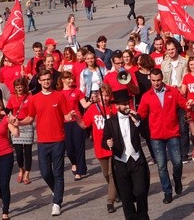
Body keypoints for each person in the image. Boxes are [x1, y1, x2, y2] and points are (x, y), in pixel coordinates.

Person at [18, 69, 75, 216]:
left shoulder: (59, 96)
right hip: (42, 141)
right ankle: (56, 191)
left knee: (58, 173)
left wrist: (73, 115)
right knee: (45, 173)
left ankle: (57, 203)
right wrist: (18, 123)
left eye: (48, 79)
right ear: (39, 81)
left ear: (52, 80)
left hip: (58, 140)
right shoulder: (34, 98)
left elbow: (67, 115)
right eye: (43, 80)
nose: (46, 82)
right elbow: (30, 118)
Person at [137, 68, 190, 204]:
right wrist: (133, 117)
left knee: (177, 162)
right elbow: (141, 114)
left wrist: (190, 105)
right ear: (150, 80)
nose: (156, 83)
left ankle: (177, 179)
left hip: (173, 133)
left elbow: (184, 104)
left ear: (162, 79)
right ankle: (167, 192)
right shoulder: (147, 95)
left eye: (158, 80)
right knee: (161, 166)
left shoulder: (172, 91)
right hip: (156, 136)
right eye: (153, 81)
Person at [102, 89, 150, 219]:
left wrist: (138, 122)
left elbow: (146, 135)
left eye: (127, 103)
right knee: (126, 196)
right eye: (123, 104)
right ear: (117, 106)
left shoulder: (135, 117)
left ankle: (143, 216)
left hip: (136, 159)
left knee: (140, 191)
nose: (127, 106)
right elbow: (104, 142)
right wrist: (108, 143)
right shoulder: (110, 122)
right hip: (120, 161)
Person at [77, 84, 118, 213]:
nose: (105, 98)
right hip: (100, 147)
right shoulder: (93, 109)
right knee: (106, 174)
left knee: (113, 174)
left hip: (113, 146)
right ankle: (116, 191)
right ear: (98, 96)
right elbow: (84, 125)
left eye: (107, 95)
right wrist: (75, 117)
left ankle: (110, 201)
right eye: (102, 95)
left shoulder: (113, 108)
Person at [57, 71, 89, 181]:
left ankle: (80, 171)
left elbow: (84, 104)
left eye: (71, 78)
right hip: (64, 122)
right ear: (62, 80)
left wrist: (92, 101)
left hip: (77, 121)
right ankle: (74, 162)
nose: (71, 81)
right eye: (68, 79)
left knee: (79, 146)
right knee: (69, 148)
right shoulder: (58, 93)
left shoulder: (77, 91)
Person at [5, 78, 33, 185]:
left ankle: (27, 173)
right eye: (17, 87)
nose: (19, 89)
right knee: (19, 152)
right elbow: (7, 110)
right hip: (15, 125)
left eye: (20, 86)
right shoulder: (12, 98)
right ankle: (21, 168)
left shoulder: (30, 97)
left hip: (27, 124)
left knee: (27, 151)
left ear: (24, 86)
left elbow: (32, 112)